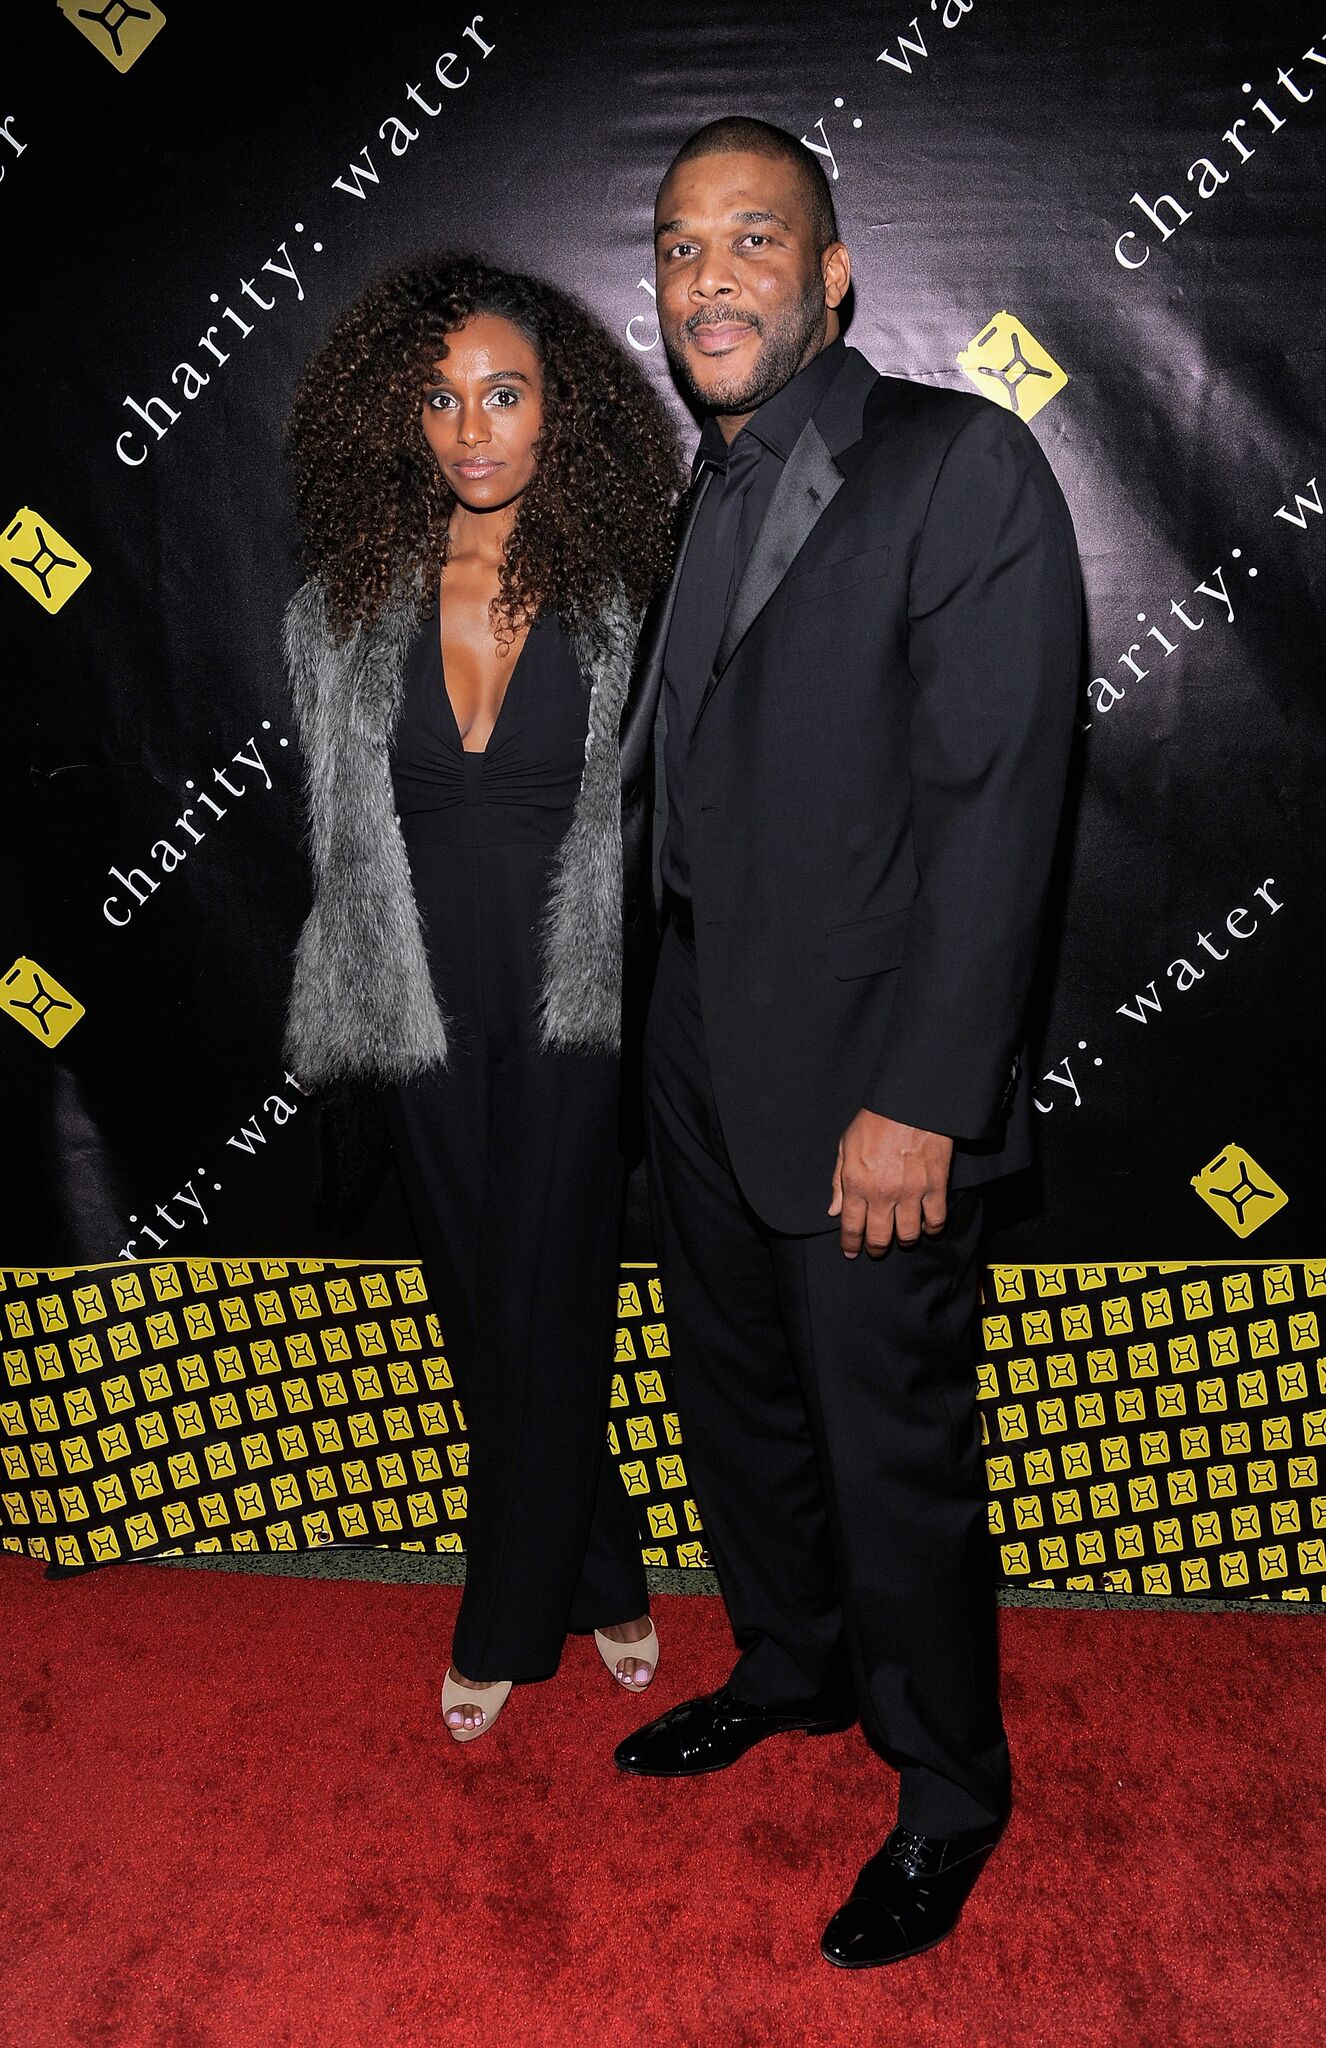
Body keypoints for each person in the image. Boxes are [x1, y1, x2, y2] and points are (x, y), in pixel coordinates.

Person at [614, 120, 1082, 1964]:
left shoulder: (955, 464)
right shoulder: (701, 488)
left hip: (871, 1082)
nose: (707, 276)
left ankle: (947, 1786)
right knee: (737, 1407)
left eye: (752, 241)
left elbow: (996, 814)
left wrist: (922, 1103)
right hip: (696, 1049)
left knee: (887, 1447)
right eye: (675, 247)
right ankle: (792, 1667)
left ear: (830, 278)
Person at [281, 256, 684, 1740]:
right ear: (398, 419)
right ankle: (606, 1561)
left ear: (557, 412)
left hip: (583, 998)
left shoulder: (631, 595)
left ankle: (502, 1614)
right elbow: (337, 843)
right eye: (439, 399)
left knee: (557, 1282)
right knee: (479, 1300)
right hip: (416, 1003)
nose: (471, 429)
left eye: (502, 395)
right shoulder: (337, 613)